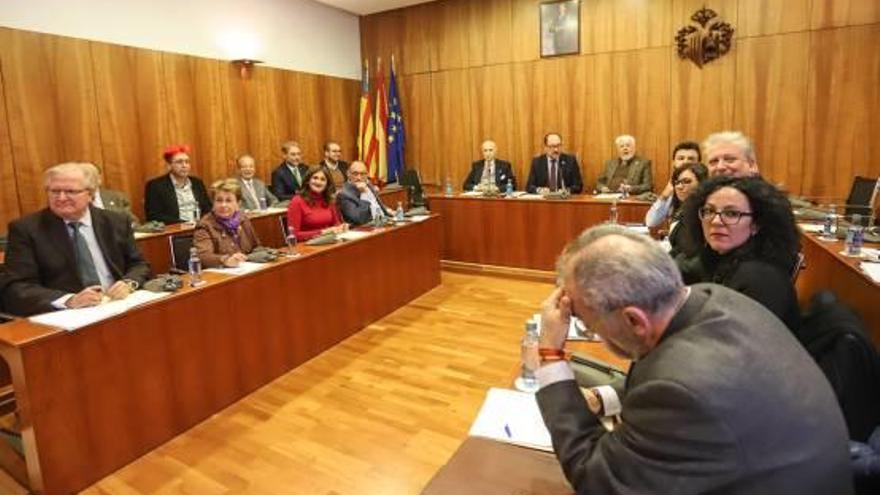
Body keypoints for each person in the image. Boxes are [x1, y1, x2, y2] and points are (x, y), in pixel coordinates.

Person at [533, 224, 852, 494]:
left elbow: (597, 480)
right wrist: (605, 398)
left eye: (589, 324)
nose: (593, 333)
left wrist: (550, 354)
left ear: (634, 321)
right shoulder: (718, 299)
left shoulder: (682, 388)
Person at [2, 162, 152, 316]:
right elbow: (15, 286)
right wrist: (68, 300)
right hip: (68, 317)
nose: (61, 198)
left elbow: (139, 264)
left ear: (91, 194)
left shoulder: (115, 222)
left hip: (117, 306)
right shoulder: (27, 229)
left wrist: (129, 283)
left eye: (70, 191)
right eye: (54, 191)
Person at [676, 176, 802, 334]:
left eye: (732, 213)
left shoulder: (760, 279)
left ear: (756, 224)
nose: (715, 221)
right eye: (709, 211)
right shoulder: (719, 259)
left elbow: (735, 351)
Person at [193, 179, 261, 268]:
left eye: (228, 200)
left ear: (238, 204)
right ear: (213, 203)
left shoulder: (243, 219)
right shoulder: (205, 225)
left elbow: (256, 247)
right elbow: (203, 256)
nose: (223, 205)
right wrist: (225, 260)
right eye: (219, 200)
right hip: (220, 274)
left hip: (246, 269)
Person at [645, 162, 707, 252]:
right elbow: (650, 222)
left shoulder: (702, 212)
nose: (679, 187)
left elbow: (689, 251)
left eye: (686, 181)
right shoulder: (683, 207)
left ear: (702, 183)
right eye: (677, 182)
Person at [144, 144, 211, 224]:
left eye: (187, 162)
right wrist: (184, 223)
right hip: (175, 231)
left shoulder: (197, 183)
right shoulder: (156, 186)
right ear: (169, 165)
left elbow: (208, 208)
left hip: (201, 228)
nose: (184, 165)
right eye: (179, 162)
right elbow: (153, 216)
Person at [286, 166, 346, 241]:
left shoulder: (329, 200)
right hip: (306, 246)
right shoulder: (297, 201)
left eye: (323, 179)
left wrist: (341, 228)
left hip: (328, 242)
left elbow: (336, 224)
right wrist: (323, 232)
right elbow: (293, 235)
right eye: (315, 178)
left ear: (327, 184)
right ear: (308, 181)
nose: (318, 182)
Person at [338, 161, 391, 226]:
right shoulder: (344, 194)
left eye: (362, 174)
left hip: (383, 221)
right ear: (348, 174)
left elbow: (375, 203)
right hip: (366, 228)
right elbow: (359, 218)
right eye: (355, 174)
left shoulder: (368, 184)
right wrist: (363, 193)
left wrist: (388, 210)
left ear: (367, 174)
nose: (359, 178)